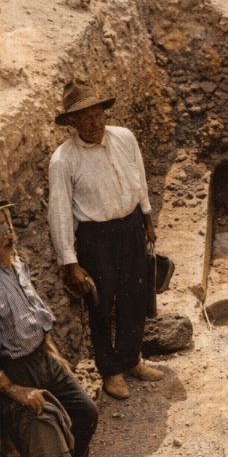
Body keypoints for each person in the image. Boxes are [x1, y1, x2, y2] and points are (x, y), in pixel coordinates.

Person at [48, 80, 164, 401]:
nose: (96, 123)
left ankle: (131, 360)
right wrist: (70, 261)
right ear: (71, 122)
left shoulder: (124, 137)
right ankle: (110, 371)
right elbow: (59, 212)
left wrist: (147, 218)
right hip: (94, 237)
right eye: (86, 118)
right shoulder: (63, 160)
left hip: (130, 227)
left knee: (135, 296)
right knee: (101, 304)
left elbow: (138, 178)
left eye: (99, 114)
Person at [0, 198, 100, 457]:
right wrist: (15, 390)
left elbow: (32, 315)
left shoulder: (15, 263)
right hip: (14, 369)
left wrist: (52, 352)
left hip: (42, 357)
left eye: (6, 224)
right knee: (41, 423)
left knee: (85, 411)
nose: (7, 233)